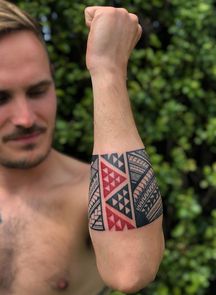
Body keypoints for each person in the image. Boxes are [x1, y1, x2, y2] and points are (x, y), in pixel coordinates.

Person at [0, 0, 165, 294]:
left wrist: (108, 70)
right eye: (1, 99)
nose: (25, 119)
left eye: (38, 91)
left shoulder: (89, 193)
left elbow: (131, 270)